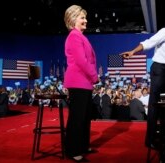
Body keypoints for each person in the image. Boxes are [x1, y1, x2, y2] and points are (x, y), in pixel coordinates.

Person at [120, 11, 165, 148]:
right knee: (154, 105)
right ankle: (150, 140)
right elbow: (148, 43)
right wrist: (133, 51)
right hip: (159, 70)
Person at [63, 5, 99, 162]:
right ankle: (72, 150)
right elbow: (81, 61)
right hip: (78, 81)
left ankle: (83, 146)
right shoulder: (74, 36)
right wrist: (94, 76)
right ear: (73, 20)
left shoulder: (80, 36)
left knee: (84, 117)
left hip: (84, 82)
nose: (86, 20)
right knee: (77, 118)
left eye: (85, 17)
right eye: (82, 17)